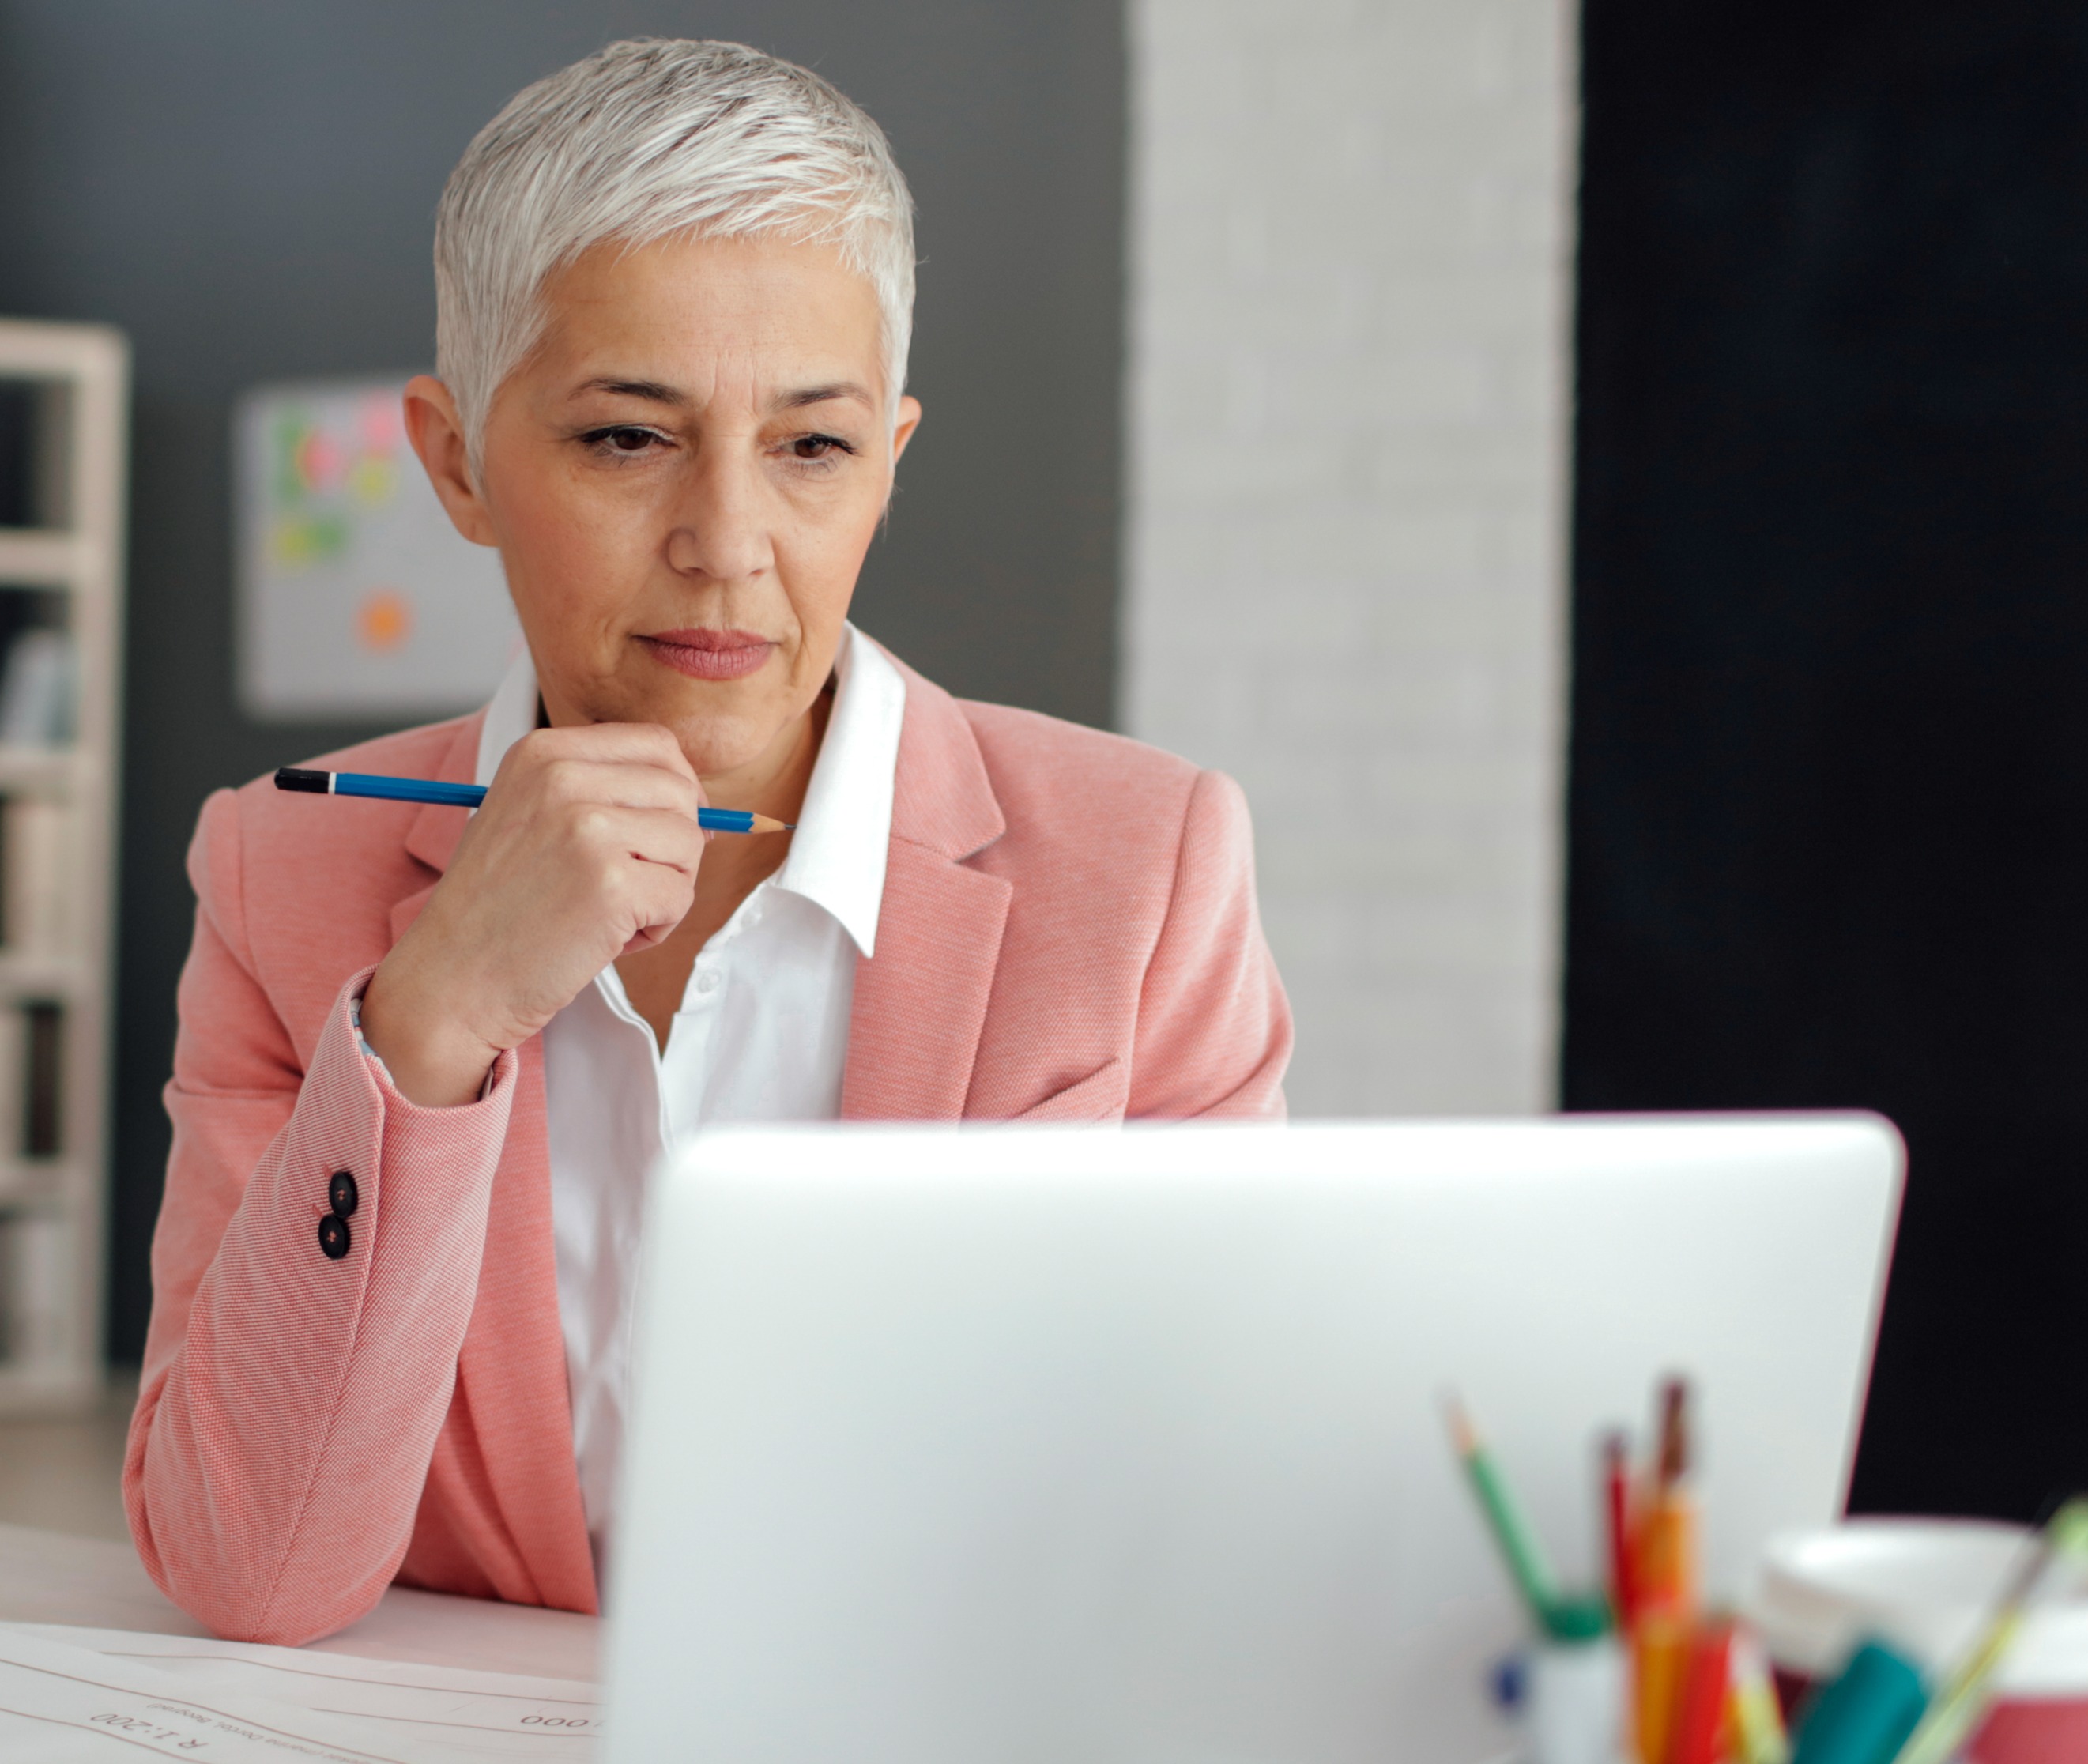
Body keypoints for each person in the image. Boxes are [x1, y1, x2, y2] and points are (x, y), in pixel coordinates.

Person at [126, 38, 1295, 1645]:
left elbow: (1227, 1503)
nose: (727, 546)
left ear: (888, 457)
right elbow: (249, 1572)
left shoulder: (1149, 867)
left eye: (811, 447)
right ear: (458, 460)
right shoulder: (281, 875)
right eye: (626, 438)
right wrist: (430, 1020)